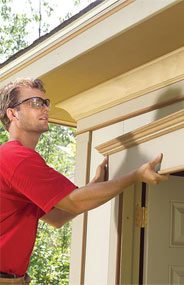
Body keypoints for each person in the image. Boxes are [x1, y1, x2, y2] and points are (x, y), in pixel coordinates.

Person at [0, 78, 168, 284]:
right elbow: (74, 202)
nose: (44, 108)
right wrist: (135, 175)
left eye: (45, 102)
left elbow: (58, 217)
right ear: (13, 113)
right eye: (35, 102)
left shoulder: (15, 160)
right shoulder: (15, 158)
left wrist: (94, 185)